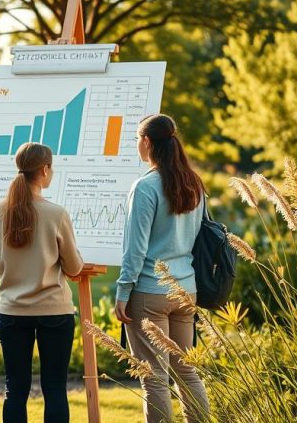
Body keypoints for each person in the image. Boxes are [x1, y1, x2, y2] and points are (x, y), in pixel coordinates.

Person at [115, 113, 211, 423]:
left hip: (149, 292)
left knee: (154, 377)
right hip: (186, 291)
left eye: (136, 140)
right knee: (187, 371)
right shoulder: (193, 183)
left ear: (146, 142)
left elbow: (135, 248)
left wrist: (123, 291)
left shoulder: (146, 187)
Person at [0, 143, 84, 423]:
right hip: (54, 312)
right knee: (54, 389)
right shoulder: (56, 213)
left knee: (14, 390)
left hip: (12, 312)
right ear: (44, 170)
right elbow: (75, 268)